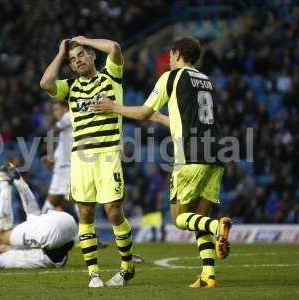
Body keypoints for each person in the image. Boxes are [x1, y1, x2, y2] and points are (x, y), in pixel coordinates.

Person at [93, 36, 232, 288]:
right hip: (217, 152)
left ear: (178, 53)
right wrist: (161, 119)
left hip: (190, 153)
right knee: (198, 217)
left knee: (180, 218)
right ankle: (208, 275)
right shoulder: (207, 81)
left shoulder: (171, 77)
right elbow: (191, 119)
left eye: (170, 54)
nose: (168, 59)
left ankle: (217, 226)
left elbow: (143, 112)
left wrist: (114, 107)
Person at [40, 36, 138, 288]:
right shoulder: (70, 87)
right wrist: (61, 53)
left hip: (107, 155)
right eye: (73, 60)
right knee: (85, 213)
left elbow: (115, 48)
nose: (78, 61)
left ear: (93, 55)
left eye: (82, 55)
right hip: (80, 158)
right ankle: (93, 273)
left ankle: (127, 267)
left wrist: (85, 40)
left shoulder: (111, 77)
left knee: (113, 212)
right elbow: (45, 82)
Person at [0, 163, 77, 269]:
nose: (4, 243)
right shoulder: (7, 257)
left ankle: (11, 181)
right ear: (1, 251)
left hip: (65, 232)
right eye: (0, 244)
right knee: (15, 228)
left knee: (28, 221)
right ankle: (11, 181)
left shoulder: (24, 243)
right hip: (65, 222)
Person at [41, 101, 78, 221]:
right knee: (55, 202)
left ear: (65, 108)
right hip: (63, 167)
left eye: (57, 109)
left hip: (68, 168)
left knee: (76, 201)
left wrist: (50, 156)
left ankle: (88, 233)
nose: (55, 112)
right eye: (53, 110)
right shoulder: (66, 126)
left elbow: (51, 133)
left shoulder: (69, 115)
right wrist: (52, 161)